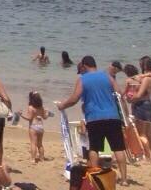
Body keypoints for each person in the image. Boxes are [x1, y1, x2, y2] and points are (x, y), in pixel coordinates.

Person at [55, 55, 129, 186]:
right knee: (118, 148)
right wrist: (125, 115)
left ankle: (94, 175)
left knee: (94, 147)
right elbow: (119, 94)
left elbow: (74, 99)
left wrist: (62, 105)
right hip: (112, 116)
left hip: (94, 117)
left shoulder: (82, 79)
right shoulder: (108, 76)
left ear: (84, 66)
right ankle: (124, 179)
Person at [128, 55, 151, 164]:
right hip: (148, 105)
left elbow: (139, 95)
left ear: (144, 65)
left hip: (141, 106)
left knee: (141, 133)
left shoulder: (146, 79)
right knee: (149, 134)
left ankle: (147, 157)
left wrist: (129, 99)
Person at [20, 91, 46, 163]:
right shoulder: (41, 107)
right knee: (40, 144)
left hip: (33, 126)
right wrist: (47, 113)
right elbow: (44, 117)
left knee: (33, 143)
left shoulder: (31, 107)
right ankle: (42, 158)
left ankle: (33, 159)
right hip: (41, 126)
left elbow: (29, 118)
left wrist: (21, 115)